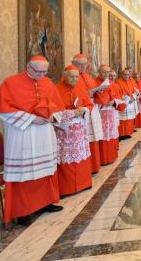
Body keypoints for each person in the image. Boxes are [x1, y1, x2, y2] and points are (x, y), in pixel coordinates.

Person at [0, 56, 63, 224]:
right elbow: (2, 109)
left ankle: (45, 203)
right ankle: (23, 211)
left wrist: (53, 117)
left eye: (45, 71)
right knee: (24, 172)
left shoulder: (48, 83)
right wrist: (30, 119)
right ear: (28, 67)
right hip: (22, 133)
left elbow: (58, 105)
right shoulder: (11, 83)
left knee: (45, 169)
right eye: (38, 71)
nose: (41, 75)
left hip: (44, 132)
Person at [55, 65, 93, 196]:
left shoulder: (81, 88)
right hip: (64, 132)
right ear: (64, 77)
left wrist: (83, 110)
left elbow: (89, 105)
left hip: (79, 130)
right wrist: (71, 113)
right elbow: (53, 112)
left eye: (77, 76)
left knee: (80, 154)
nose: (75, 79)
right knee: (66, 156)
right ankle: (67, 187)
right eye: (72, 76)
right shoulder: (56, 89)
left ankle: (84, 183)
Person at [71, 54, 103, 174]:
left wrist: (97, 91)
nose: (83, 67)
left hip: (92, 108)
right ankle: (87, 167)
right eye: (80, 64)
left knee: (93, 136)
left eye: (85, 64)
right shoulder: (72, 77)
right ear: (73, 64)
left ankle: (94, 165)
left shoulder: (88, 77)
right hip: (81, 111)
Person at [94, 64, 119, 165]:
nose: (106, 74)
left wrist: (113, 102)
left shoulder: (112, 84)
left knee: (110, 134)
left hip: (110, 113)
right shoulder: (93, 82)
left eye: (108, 72)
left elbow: (118, 98)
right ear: (98, 72)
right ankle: (102, 159)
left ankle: (111, 156)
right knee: (101, 135)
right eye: (104, 72)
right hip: (99, 113)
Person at [116, 68, 137, 139]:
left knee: (129, 119)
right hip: (123, 102)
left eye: (127, 75)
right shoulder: (118, 82)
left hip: (130, 102)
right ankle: (122, 134)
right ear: (122, 75)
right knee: (122, 119)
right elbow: (118, 92)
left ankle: (128, 132)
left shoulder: (131, 81)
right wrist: (126, 98)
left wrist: (133, 97)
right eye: (124, 74)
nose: (126, 76)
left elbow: (135, 90)